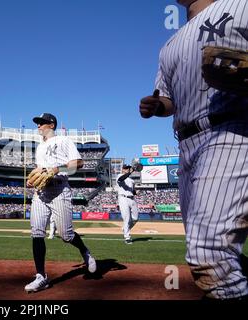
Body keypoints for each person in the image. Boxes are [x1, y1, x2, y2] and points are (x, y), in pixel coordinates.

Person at [139, 0, 248, 299]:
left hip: (233, 128)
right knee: (220, 251)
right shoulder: (170, 44)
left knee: (208, 253)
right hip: (186, 143)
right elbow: (169, 99)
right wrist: (158, 106)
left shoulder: (239, 5)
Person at [24, 113, 97, 293]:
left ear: (51, 124)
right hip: (41, 193)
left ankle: (85, 251)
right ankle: (41, 276)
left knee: (66, 235)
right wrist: (34, 179)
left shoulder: (64, 140)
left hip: (59, 189)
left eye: (41, 123)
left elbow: (78, 163)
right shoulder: (40, 147)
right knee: (37, 232)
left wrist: (57, 168)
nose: (38, 126)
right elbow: (41, 170)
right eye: (37, 123)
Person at [116, 165, 139, 244]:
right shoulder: (120, 176)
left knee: (135, 218)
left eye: (128, 168)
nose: (127, 169)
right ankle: (127, 237)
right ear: (122, 169)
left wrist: (135, 192)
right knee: (127, 218)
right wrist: (130, 172)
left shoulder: (132, 180)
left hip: (132, 199)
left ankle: (125, 228)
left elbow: (132, 191)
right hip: (123, 198)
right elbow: (121, 179)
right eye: (125, 168)